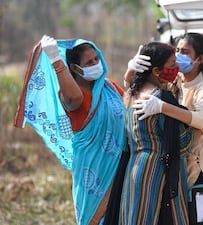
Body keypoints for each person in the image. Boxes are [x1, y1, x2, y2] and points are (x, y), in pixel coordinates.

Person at [14, 35, 128, 225]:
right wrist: (56, 61)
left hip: (121, 169)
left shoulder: (110, 88)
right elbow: (74, 98)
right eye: (88, 62)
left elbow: (130, 107)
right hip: (93, 172)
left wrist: (131, 74)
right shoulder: (73, 95)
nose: (95, 64)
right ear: (75, 68)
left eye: (96, 59)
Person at [129, 32, 203, 225]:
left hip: (197, 167)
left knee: (202, 220)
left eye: (185, 52)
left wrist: (162, 107)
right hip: (178, 164)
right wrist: (132, 70)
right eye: (177, 50)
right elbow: (135, 90)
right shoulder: (175, 81)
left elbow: (199, 120)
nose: (179, 55)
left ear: (200, 59)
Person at [119, 41, 193, 225]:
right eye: (172, 65)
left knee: (136, 217)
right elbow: (183, 143)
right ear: (156, 71)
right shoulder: (161, 100)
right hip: (160, 170)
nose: (176, 69)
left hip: (134, 168)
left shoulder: (129, 95)